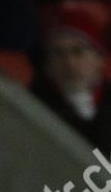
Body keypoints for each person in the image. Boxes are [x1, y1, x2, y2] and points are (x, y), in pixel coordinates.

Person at [30, 16, 111, 150]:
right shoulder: (35, 103)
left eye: (78, 52)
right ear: (47, 65)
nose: (69, 63)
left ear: (99, 59)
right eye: (57, 53)